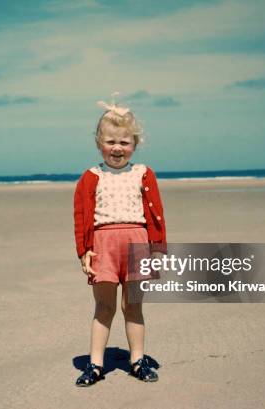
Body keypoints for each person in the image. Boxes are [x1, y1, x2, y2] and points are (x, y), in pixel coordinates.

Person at [73, 98, 166, 386]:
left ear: (135, 144)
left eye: (124, 142)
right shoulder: (90, 177)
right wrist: (84, 252)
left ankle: (137, 360)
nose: (117, 148)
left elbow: (156, 214)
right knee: (104, 307)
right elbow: (81, 218)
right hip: (102, 244)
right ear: (99, 142)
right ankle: (96, 364)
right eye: (111, 141)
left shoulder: (143, 174)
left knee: (133, 306)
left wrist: (158, 248)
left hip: (137, 241)